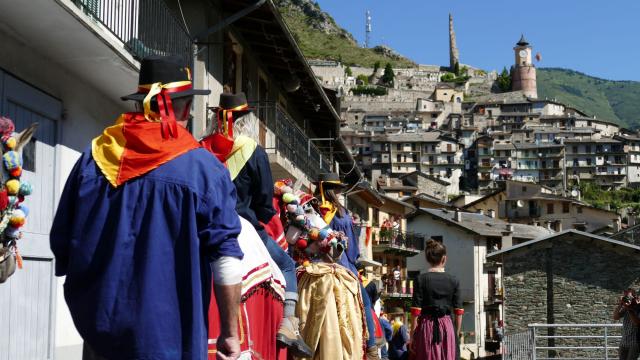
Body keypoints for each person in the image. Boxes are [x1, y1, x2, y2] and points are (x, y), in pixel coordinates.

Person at [50, 56, 244, 360]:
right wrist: (231, 333)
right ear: (186, 107)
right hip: (169, 340)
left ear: (141, 103)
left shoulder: (93, 157)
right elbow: (225, 259)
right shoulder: (204, 169)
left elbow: (61, 244)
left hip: (100, 338)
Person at [200, 93, 312, 358]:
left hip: (202, 222)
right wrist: (260, 214)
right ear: (246, 120)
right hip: (241, 223)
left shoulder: (200, 147)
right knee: (286, 263)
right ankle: (288, 322)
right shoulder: (252, 150)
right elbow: (264, 202)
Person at [315, 173, 380, 359]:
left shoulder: (313, 208)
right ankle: (372, 346)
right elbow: (351, 249)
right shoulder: (343, 213)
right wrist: (354, 262)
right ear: (335, 190)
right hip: (343, 265)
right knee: (366, 303)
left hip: (316, 261)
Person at [410, 239, 464, 360]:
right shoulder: (454, 280)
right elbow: (459, 312)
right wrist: (455, 333)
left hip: (426, 326)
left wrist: (412, 336)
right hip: (447, 327)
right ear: (444, 258)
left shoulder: (420, 279)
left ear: (427, 259)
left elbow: (415, 312)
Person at [613, 289, 640, 360]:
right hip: (624, 341)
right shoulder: (626, 307)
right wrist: (620, 304)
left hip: (634, 342)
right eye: (625, 295)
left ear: (635, 296)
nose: (627, 297)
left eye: (628, 295)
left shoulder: (638, 307)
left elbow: (637, 323)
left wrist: (629, 308)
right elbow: (615, 317)